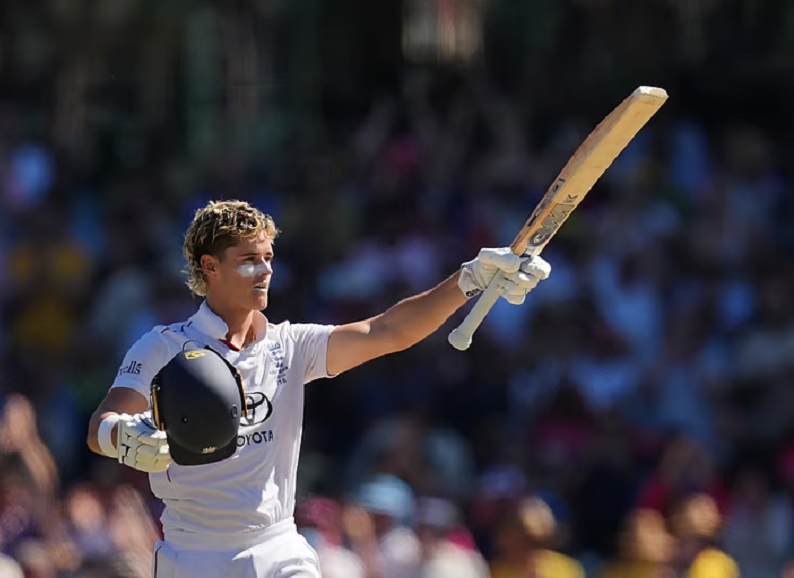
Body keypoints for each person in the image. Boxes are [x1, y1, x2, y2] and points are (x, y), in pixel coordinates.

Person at [85, 199, 551, 577]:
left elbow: (388, 332)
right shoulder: (162, 346)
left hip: (278, 548)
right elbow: (102, 423)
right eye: (249, 261)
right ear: (210, 267)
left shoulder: (290, 345)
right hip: (192, 557)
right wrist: (125, 438)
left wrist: (468, 280)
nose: (265, 271)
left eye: (268, 258)